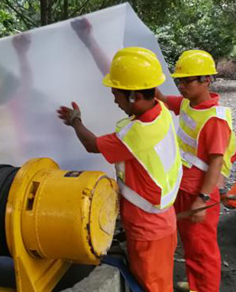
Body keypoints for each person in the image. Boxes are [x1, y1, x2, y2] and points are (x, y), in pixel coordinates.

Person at [57, 47, 182, 292]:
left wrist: (75, 120)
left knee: (150, 286)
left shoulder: (137, 133)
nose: (114, 99)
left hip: (146, 227)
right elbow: (135, 80)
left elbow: (92, 145)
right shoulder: (162, 112)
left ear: (135, 96)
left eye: (116, 94)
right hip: (163, 220)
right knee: (159, 281)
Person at [156, 49, 236, 292]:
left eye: (187, 80)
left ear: (207, 80)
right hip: (183, 187)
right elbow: (160, 97)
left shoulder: (215, 119)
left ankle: (205, 288)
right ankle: (196, 284)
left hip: (199, 193)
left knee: (203, 251)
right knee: (191, 245)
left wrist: (202, 199)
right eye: (179, 80)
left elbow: (216, 161)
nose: (181, 85)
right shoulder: (187, 105)